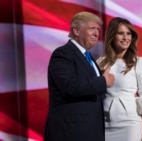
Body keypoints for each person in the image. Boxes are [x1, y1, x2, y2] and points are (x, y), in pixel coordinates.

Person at [44, 11, 115, 141]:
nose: (96, 34)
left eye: (98, 30)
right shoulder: (63, 54)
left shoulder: (88, 57)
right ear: (76, 31)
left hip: (90, 132)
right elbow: (69, 86)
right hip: (71, 131)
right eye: (92, 29)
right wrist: (102, 82)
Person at [97, 17, 142, 141]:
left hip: (130, 125)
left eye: (128, 33)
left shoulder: (138, 62)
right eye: (120, 33)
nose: (125, 38)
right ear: (112, 36)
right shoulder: (100, 62)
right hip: (104, 125)